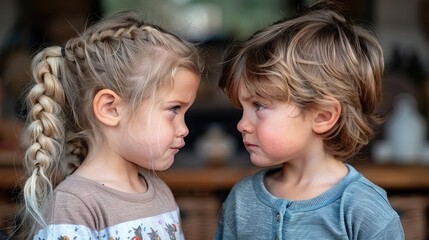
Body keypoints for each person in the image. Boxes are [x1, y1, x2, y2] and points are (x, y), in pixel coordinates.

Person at [215, 1, 405, 240]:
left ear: (322, 116)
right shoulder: (241, 200)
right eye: (242, 108)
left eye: (259, 106)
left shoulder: (363, 209)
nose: (242, 124)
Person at [18, 11, 202, 240]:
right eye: (174, 109)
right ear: (110, 109)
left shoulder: (160, 193)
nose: (184, 129)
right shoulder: (74, 206)